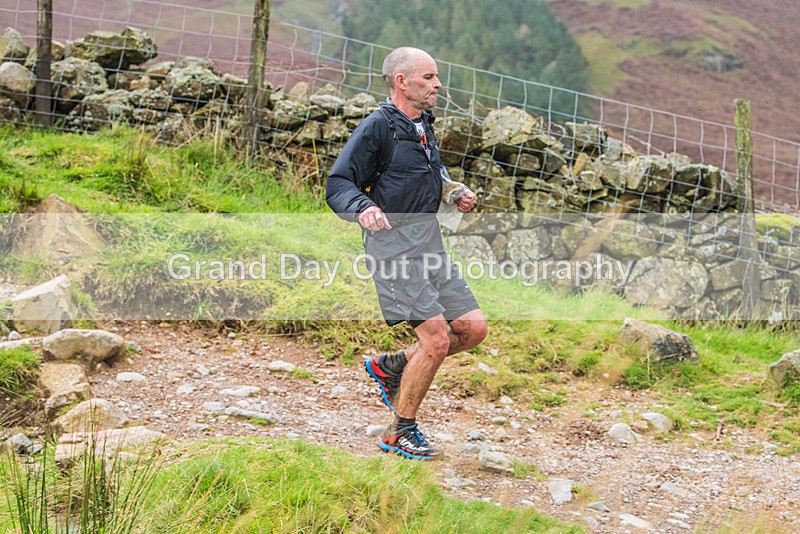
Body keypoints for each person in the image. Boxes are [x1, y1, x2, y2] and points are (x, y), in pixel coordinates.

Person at [326, 47, 488, 460]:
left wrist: (453, 191)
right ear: (402, 81)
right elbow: (339, 183)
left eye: (436, 77)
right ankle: (399, 431)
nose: (437, 85)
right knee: (434, 341)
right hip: (394, 251)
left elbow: (428, 174)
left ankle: (392, 365)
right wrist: (364, 208)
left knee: (472, 330)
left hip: (430, 245)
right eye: (428, 77)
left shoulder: (422, 125)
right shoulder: (377, 127)